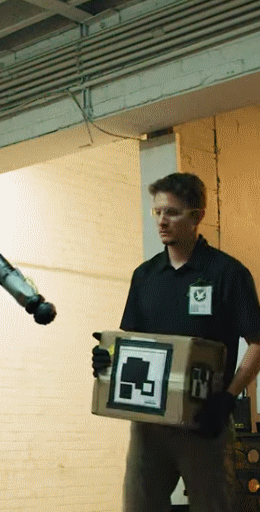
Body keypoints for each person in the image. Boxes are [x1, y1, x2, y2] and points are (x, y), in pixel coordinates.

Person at [91, 172, 260, 512]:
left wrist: (227, 399)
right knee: (139, 505)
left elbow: (257, 343)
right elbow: (131, 341)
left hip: (205, 420)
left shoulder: (227, 273)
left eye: (172, 212)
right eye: (157, 212)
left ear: (197, 216)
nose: (162, 221)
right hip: (149, 424)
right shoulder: (145, 276)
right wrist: (107, 358)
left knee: (213, 505)